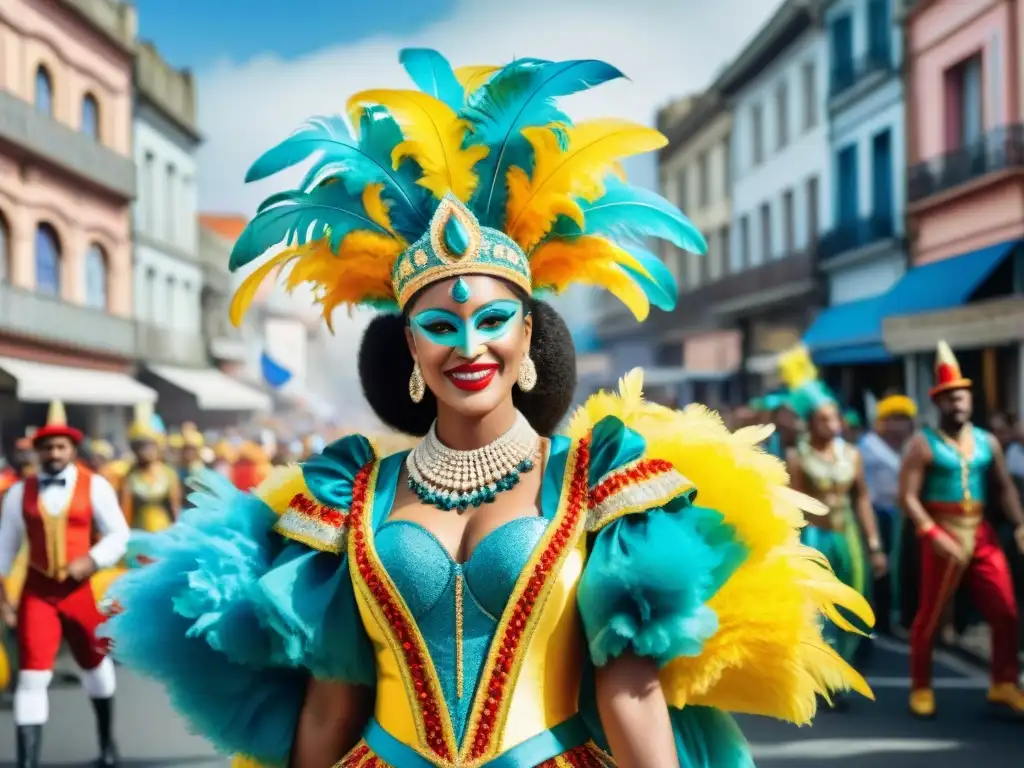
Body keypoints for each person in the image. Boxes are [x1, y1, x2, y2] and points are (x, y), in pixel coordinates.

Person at [101, 49, 873, 768]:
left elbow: (630, 693)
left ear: (528, 334)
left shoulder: (601, 484)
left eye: (494, 320)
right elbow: (332, 704)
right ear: (411, 348)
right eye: (440, 326)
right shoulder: (347, 498)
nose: (469, 346)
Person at [0, 401, 129, 767]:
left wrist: (93, 559)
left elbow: (119, 534)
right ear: (38, 452)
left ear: (72, 449)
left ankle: (107, 744)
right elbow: (5, 545)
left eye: (61, 447)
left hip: (79, 591)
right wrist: (3, 594)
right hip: (37, 593)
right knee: (32, 675)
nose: (54, 454)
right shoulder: (19, 492)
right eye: (47, 447)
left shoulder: (96, 485)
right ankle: (27, 761)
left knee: (95, 666)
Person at [900, 340, 1024, 718]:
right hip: (942, 531)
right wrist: (930, 532)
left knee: (1005, 610)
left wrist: (1019, 523)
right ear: (938, 402)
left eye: (963, 396)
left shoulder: (988, 442)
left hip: (981, 532)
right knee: (930, 614)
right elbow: (907, 497)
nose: (958, 404)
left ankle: (1004, 682)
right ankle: (921, 686)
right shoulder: (922, 444)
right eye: (950, 398)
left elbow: (1004, 487)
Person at [780, 347, 886, 673]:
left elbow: (862, 499)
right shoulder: (797, 456)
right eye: (824, 419)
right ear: (811, 423)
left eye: (835, 417)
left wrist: (874, 544)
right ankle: (821, 670)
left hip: (847, 536)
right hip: (814, 537)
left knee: (851, 598)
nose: (832, 424)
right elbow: (793, 503)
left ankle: (845, 664)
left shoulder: (852, 455)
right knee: (816, 604)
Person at [859, 394, 917, 634]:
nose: (900, 425)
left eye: (904, 419)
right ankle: (880, 618)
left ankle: (901, 615)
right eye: (894, 418)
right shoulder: (869, 446)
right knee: (881, 566)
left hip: (903, 513)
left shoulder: (911, 446)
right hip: (877, 512)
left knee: (904, 566)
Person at [120, 404, 181, 533]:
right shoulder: (131, 476)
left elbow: (175, 509)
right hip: (139, 532)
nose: (145, 451)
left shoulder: (169, 474)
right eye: (140, 446)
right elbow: (126, 511)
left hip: (165, 531)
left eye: (150, 446)